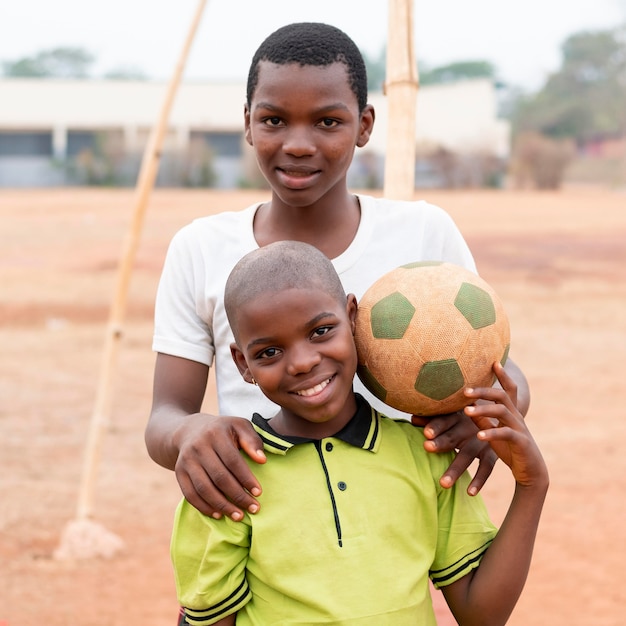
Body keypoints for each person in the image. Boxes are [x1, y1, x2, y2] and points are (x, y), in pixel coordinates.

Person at [146, 21, 531, 523]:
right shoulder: (200, 249)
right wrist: (187, 433)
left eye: (327, 122)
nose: (299, 144)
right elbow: (164, 418)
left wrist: (487, 416)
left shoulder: (422, 234)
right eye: (274, 120)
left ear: (365, 125)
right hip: (265, 533)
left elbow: (501, 369)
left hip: (401, 534)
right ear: (247, 123)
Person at [170, 240, 549, 626]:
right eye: (269, 352)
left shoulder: (424, 455)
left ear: (353, 318)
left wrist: (531, 486)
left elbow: (482, 614)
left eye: (320, 331)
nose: (302, 363)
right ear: (242, 363)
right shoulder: (229, 477)